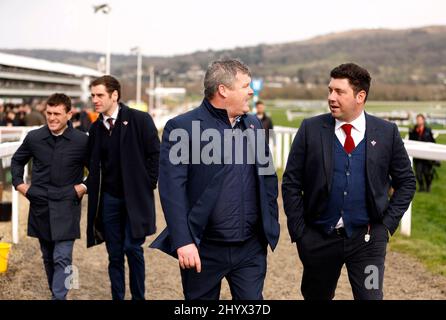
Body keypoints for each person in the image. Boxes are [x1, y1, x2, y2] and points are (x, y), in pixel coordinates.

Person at [282, 63, 416, 300]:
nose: (331, 97)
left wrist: (385, 227)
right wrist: (300, 232)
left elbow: (407, 182)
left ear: (360, 96)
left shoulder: (387, 133)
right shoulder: (310, 129)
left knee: (371, 296)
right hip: (318, 240)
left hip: (369, 243)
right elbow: (291, 182)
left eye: (339, 92)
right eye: (330, 90)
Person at [150, 59, 280, 300]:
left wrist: (269, 224)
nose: (251, 91)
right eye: (245, 86)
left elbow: (268, 177)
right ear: (223, 90)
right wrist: (183, 241)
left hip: (250, 248)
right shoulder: (182, 127)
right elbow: (172, 190)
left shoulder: (253, 124)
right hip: (203, 249)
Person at [86, 75, 160, 300]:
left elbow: (155, 154)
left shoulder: (139, 119)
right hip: (109, 199)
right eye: (93, 96)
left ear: (114, 95)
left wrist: (148, 182)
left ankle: (139, 297)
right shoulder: (96, 128)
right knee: (114, 254)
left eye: (100, 95)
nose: (95, 100)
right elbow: (91, 161)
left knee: (132, 248)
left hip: (135, 198)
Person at [11, 93, 88, 300]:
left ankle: (59, 298)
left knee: (62, 257)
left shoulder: (82, 141)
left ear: (69, 114)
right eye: (49, 113)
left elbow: (98, 169)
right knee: (48, 257)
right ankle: (58, 292)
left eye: (57, 114)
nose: (52, 118)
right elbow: (17, 161)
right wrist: (19, 184)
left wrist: (83, 187)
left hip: (67, 205)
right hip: (40, 204)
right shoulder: (34, 138)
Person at [409, 114, 436, 192]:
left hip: (427, 156)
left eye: (420, 119)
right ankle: (421, 187)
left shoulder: (428, 130)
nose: (418, 121)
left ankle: (428, 186)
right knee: (418, 173)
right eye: (417, 119)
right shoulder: (413, 130)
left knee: (427, 173)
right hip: (417, 156)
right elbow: (411, 141)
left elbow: (433, 142)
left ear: (423, 120)